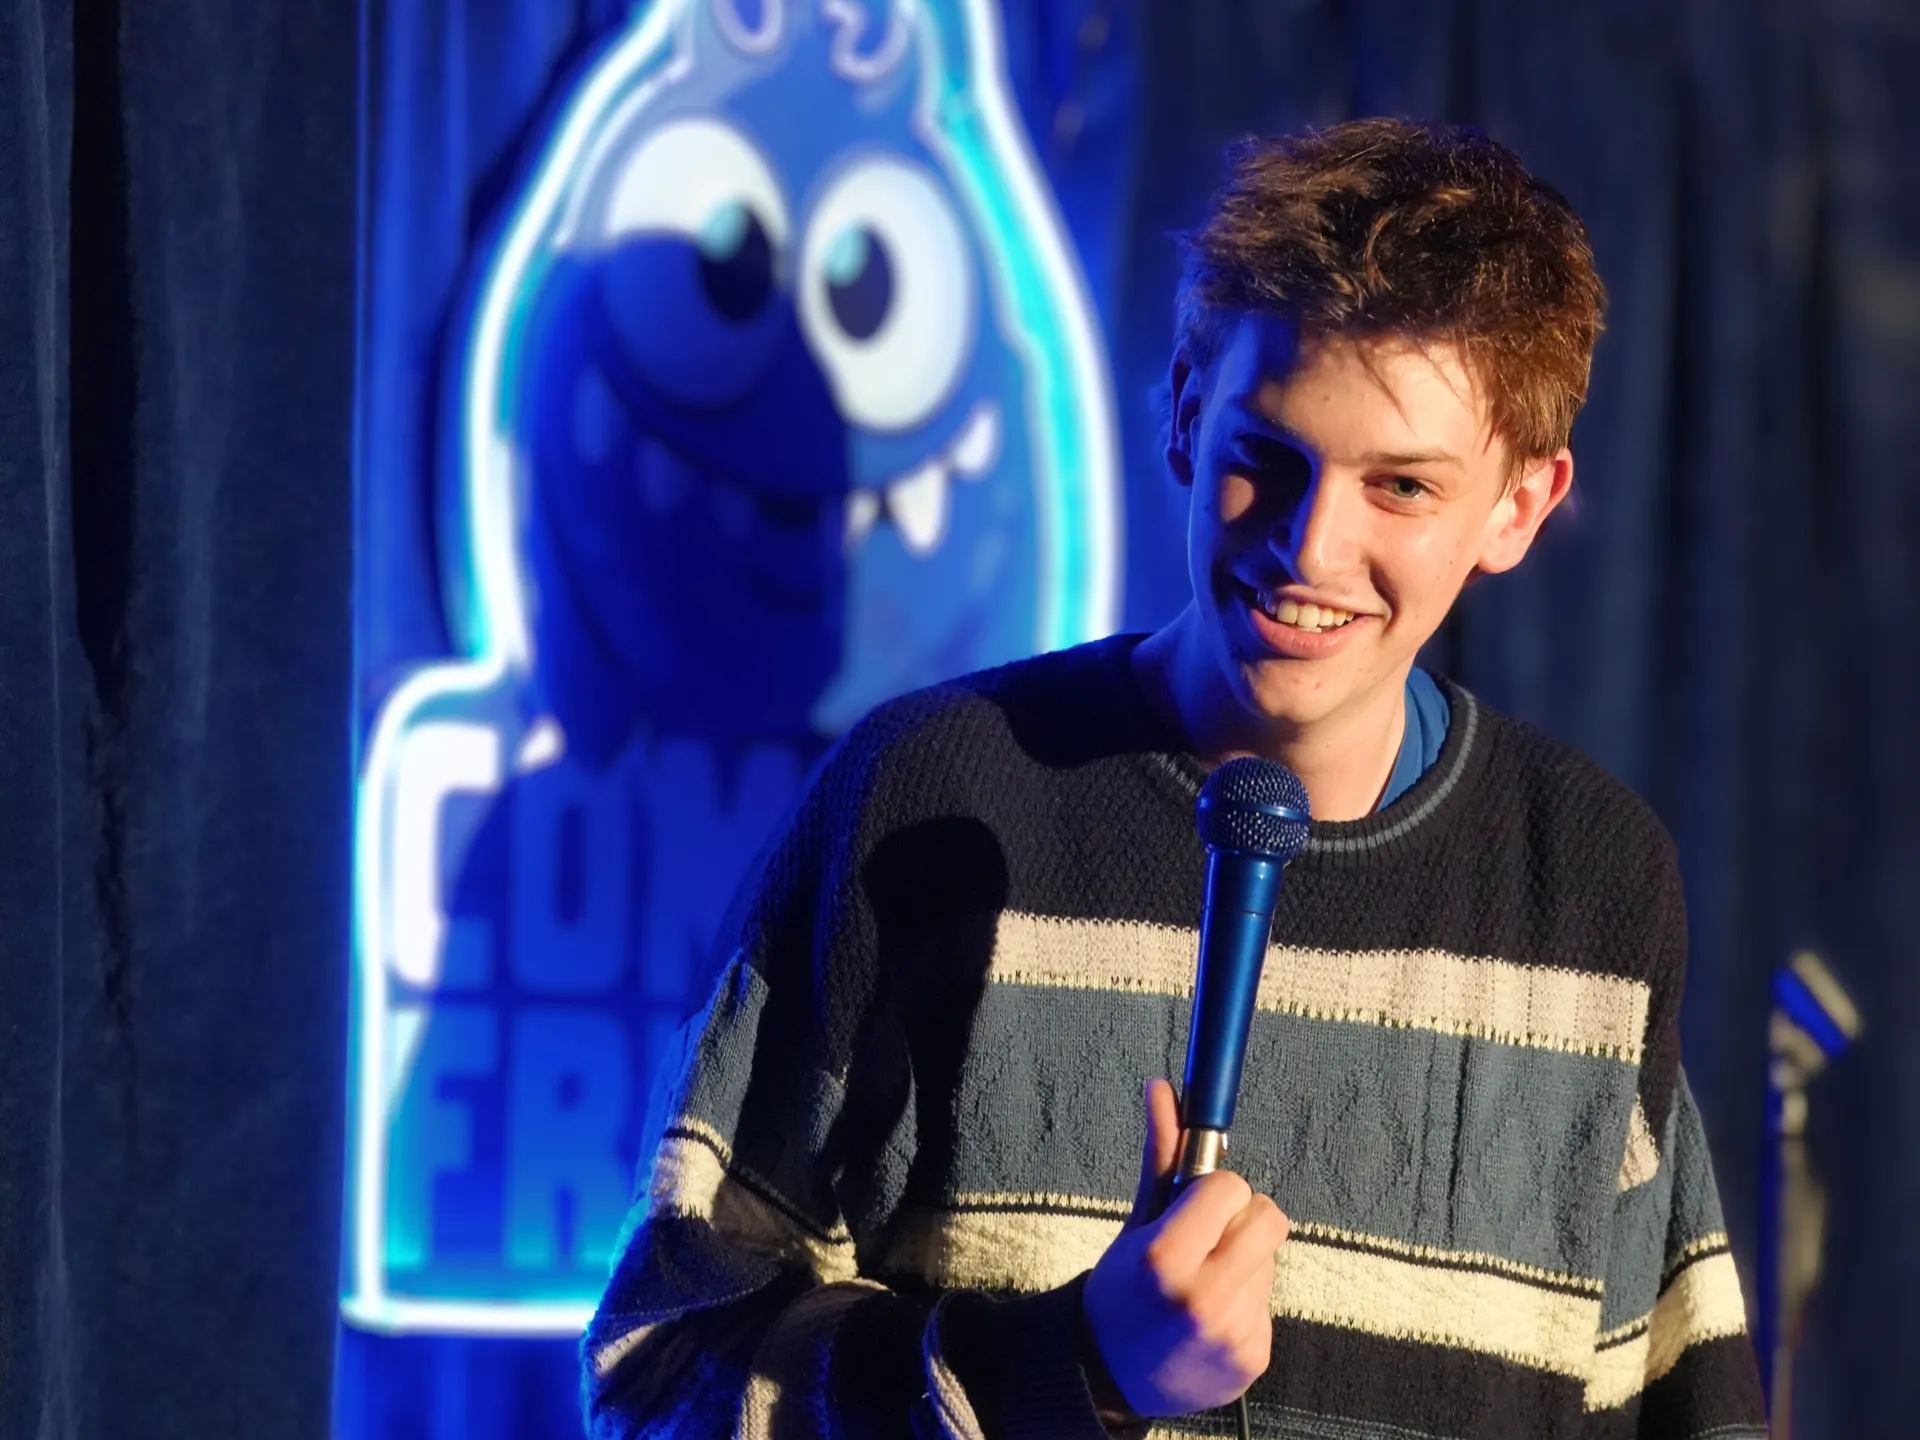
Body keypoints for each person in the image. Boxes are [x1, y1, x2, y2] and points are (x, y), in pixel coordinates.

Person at [582, 119, 1768, 1440]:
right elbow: (662, 1381)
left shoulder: (1588, 879)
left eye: (1402, 486)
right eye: (1269, 457)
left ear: (1520, 507)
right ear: (1188, 413)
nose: (1314, 545)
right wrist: (1069, 1366)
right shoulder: (931, 797)